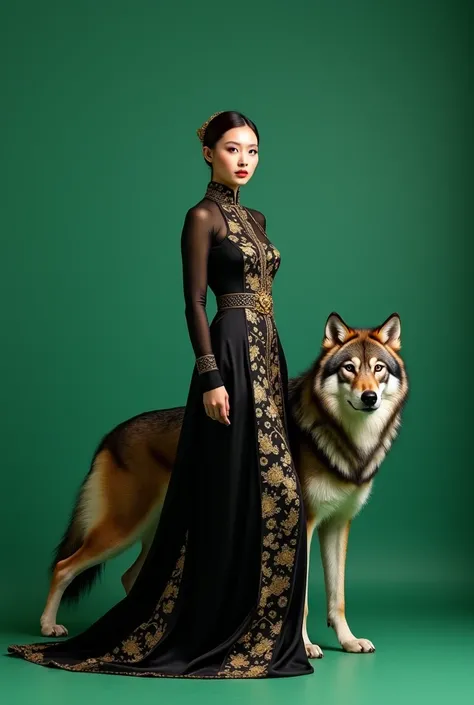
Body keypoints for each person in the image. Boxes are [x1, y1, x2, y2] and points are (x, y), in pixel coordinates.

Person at [7, 110, 314, 679]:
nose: (243, 159)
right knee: (221, 489)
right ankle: (206, 623)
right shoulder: (201, 217)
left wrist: (265, 362)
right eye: (231, 149)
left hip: (268, 353)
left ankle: (260, 622)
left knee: (279, 492)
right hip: (225, 353)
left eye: (251, 150)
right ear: (208, 153)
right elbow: (195, 301)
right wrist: (210, 377)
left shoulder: (258, 217)